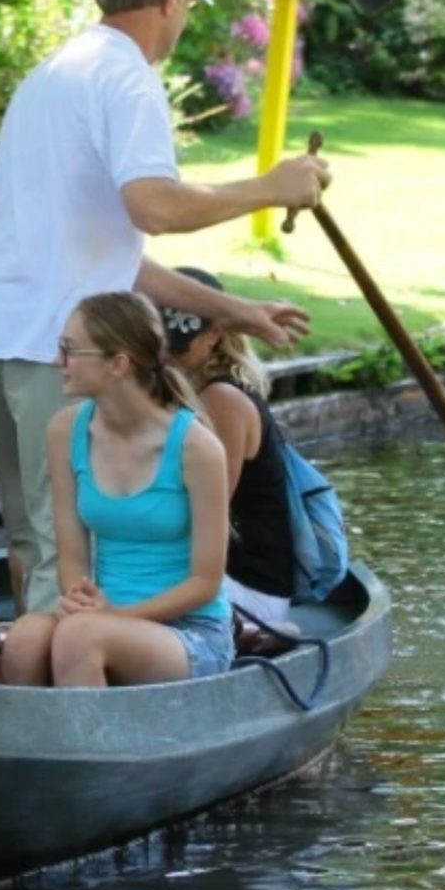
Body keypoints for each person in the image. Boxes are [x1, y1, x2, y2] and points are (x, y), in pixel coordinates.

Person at [0, 0, 330, 616]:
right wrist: (270, 187)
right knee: (72, 549)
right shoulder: (128, 79)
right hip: (57, 347)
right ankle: (63, 708)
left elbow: (115, 256)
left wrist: (235, 312)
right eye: (189, 5)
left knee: (31, 540)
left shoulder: (53, 73)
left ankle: (39, 680)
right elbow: (153, 207)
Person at [0, 291, 235, 688]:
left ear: (118, 364)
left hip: (191, 631)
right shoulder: (65, 430)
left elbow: (205, 582)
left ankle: (87, 747)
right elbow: (71, 558)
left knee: (79, 638)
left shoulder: (197, 448)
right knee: (23, 639)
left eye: (70, 350)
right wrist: (82, 598)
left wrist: (112, 618)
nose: (59, 362)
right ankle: (37, 748)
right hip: (102, 618)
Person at [157, 267, 300, 627]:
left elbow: (207, 513)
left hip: (248, 589)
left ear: (216, 334)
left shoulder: (222, 400)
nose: (164, 357)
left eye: (177, 345)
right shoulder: (186, 387)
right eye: (155, 344)